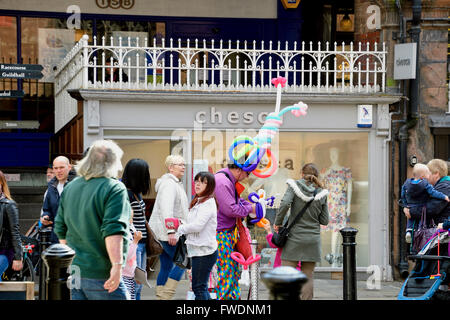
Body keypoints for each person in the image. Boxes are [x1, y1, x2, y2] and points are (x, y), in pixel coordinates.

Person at [54, 140, 132, 300]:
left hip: (75, 270)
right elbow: (113, 231)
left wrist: (73, 261)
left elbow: (60, 228)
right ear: (113, 162)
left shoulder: (70, 187)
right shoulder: (114, 187)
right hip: (101, 272)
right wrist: (117, 267)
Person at [274, 163, 329, 300]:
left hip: (294, 239)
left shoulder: (294, 186)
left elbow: (285, 203)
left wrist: (278, 223)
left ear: (301, 174)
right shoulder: (321, 192)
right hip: (312, 240)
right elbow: (324, 220)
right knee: (308, 276)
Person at [213, 162, 256, 300]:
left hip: (227, 232)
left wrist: (249, 205)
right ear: (238, 170)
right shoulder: (222, 181)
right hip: (222, 233)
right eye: (247, 173)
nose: (246, 177)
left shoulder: (226, 179)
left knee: (231, 271)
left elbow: (236, 203)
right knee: (226, 272)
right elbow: (231, 209)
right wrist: (251, 209)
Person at [149, 154, 189, 300]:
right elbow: (167, 210)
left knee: (166, 265)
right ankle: (166, 295)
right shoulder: (169, 185)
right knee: (183, 262)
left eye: (184, 164)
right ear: (170, 167)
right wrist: (171, 231)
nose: (183, 167)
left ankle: (161, 295)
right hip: (167, 233)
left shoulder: (172, 183)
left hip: (162, 233)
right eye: (180, 164)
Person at [174, 171, 218, 300]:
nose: (198, 184)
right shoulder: (198, 201)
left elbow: (198, 226)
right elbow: (192, 223)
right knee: (200, 287)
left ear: (209, 186)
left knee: (199, 287)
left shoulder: (208, 203)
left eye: (203, 182)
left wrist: (180, 228)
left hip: (204, 251)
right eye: (197, 181)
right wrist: (181, 224)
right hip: (198, 250)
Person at [121, 158, 151, 300]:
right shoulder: (125, 194)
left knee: (139, 283)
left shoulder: (135, 192)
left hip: (141, 243)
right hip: (135, 244)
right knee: (134, 284)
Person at [400, 163, 449, 243]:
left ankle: (409, 231)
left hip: (441, 237)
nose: (427, 176)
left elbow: (432, 209)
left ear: (436, 174)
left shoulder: (445, 186)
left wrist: (410, 210)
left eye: (429, 172)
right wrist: (405, 207)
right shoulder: (428, 186)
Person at [40, 156, 76, 243]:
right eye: (55, 168)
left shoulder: (77, 185)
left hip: (74, 236)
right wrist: (45, 216)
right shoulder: (51, 186)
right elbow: (47, 209)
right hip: (56, 236)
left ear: (69, 167)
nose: (58, 171)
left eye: (61, 167)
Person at [0, 170, 23, 280]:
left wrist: (18, 257)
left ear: (2, 184)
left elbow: (15, 232)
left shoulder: (9, 205)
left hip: (4, 251)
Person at [122, 211, 142, 300]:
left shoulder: (128, 233)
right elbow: (127, 255)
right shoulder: (123, 235)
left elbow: (133, 258)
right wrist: (135, 241)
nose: (132, 221)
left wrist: (136, 274)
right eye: (130, 218)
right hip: (124, 276)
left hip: (129, 275)